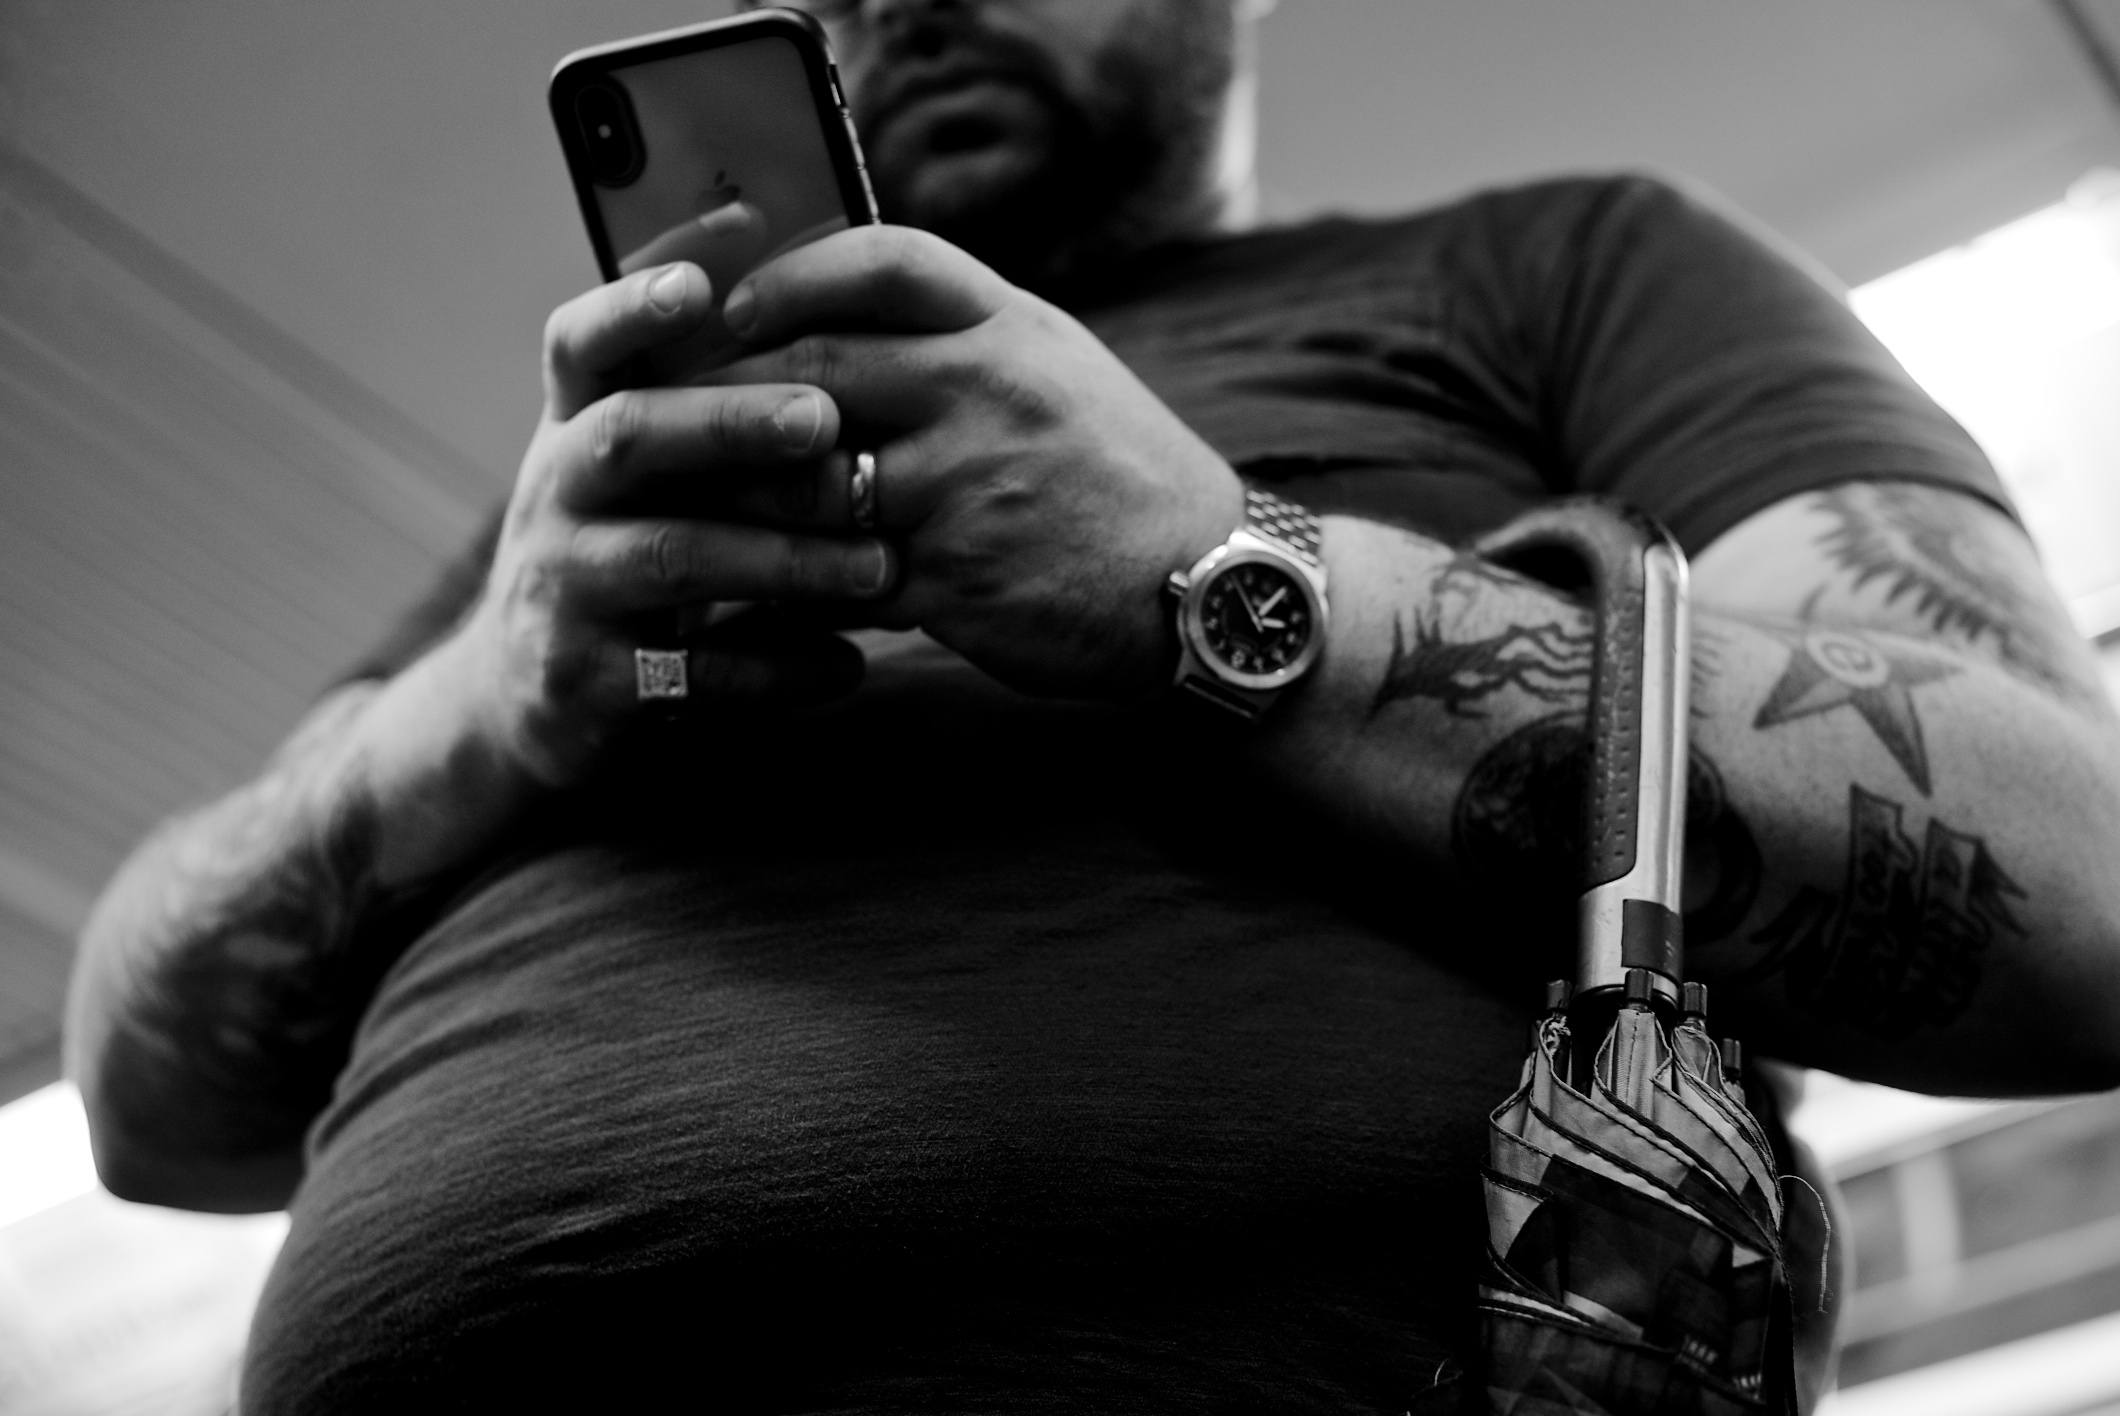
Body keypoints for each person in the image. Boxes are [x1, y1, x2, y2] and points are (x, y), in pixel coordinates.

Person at [64, 0, 2120, 1409]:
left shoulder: (1557, 265)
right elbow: (147, 1102)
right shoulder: (604, 489)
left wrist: (1214, 576)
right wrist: (475, 713)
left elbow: (2074, 892)